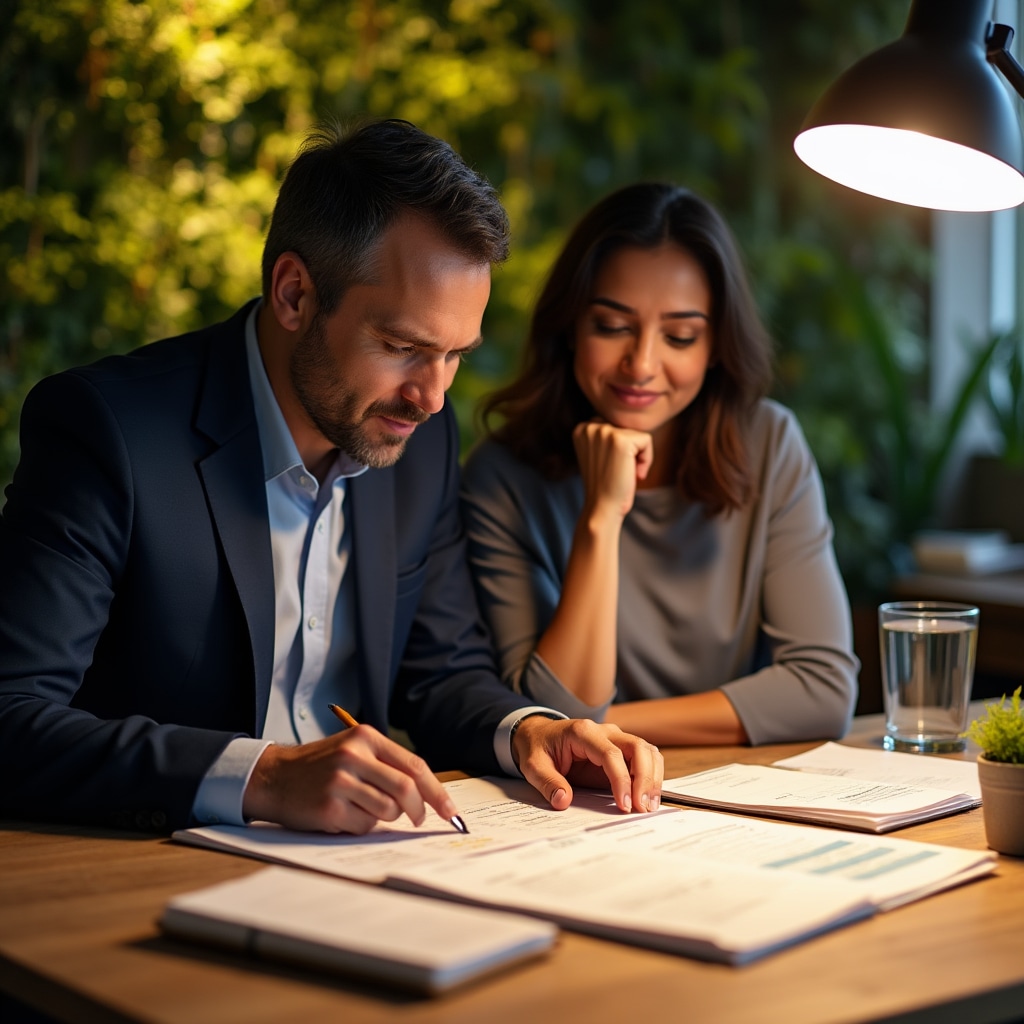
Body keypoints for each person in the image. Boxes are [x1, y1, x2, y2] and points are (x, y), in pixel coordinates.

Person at [0, 119, 662, 835]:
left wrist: (529, 730)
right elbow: (11, 718)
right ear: (293, 294)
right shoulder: (110, 431)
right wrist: (266, 775)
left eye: (456, 354)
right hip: (147, 864)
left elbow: (442, 674)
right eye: (403, 346)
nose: (433, 395)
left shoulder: (420, 437)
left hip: (358, 863)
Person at [460, 182, 859, 747]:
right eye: (612, 326)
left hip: (733, 793)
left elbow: (823, 692)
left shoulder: (769, 444)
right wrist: (601, 516)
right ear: (571, 325)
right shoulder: (501, 476)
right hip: (577, 802)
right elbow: (553, 711)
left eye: (680, 335)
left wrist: (602, 728)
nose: (642, 364)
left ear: (715, 345)